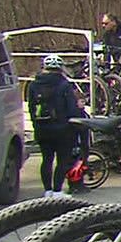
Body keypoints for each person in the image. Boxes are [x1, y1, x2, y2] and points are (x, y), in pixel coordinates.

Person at [26, 54, 79, 197]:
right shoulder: (64, 84)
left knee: (46, 160)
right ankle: (57, 190)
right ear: (60, 68)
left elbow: (31, 107)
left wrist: (35, 125)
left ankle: (47, 190)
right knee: (62, 160)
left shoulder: (33, 85)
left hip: (42, 128)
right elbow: (71, 108)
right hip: (62, 129)